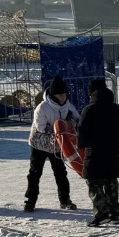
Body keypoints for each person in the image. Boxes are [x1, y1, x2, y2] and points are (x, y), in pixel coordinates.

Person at [77, 79, 119, 227]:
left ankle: (101, 213)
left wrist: (81, 145)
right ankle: (114, 213)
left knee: (94, 182)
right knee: (111, 181)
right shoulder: (116, 108)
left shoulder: (89, 109)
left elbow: (82, 130)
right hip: (112, 151)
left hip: (94, 152)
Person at [24, 75, 79, 212]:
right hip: (39, 144)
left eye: (65, 94)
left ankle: (65, 200)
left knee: (61, 173)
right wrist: (60, 130)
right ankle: (30, 200)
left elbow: (77, 120)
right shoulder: (42, 107)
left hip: (57, 145)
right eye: (60, 95)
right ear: (54, 95)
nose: (63, 97)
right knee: (35, 173)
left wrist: (72, 126)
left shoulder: (68, 106)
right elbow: (41, 127)